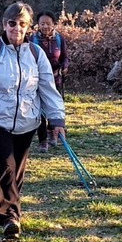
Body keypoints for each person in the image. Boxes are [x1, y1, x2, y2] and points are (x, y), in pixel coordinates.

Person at [0, 2, 65, 239]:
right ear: (4, 25)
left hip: (27, 122)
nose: (16, 28)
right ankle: (10, 217)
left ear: (29, 27)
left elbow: (48, 89)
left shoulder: (36, 54)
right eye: (12, 23)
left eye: (22, 24)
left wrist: (57, 119)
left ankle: (8, 212)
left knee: (16, 169)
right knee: (6, 165)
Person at [31, 11, 69, 153]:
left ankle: (52, 133)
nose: (45, 26)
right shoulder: (32, 40)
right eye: (42, 24)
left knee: (53, 106)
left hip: (56, 78)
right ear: (38, 25)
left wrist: (65, 66)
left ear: (53, 24)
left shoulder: (59, 39)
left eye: (48, 23)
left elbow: (65, 57)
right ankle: (42, 141)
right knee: (40, 110)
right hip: (38, 80)